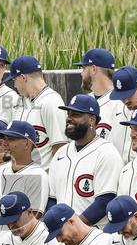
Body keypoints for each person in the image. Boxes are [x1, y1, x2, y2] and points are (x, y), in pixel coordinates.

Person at [46, 95, 123, 228]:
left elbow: (104, 201)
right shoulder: (61, 154)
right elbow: (52, 199)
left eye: (76, 114)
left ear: (92, 119)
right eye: (68, 114)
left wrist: (74, 227)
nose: (69, 118)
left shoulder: (107, 153)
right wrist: (56, 225)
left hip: (94, 235)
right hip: (63, 235)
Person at [7, 55, 66, 168]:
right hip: (20, 176)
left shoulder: (51, 101)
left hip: (43, 176)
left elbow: (60, 147)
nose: (14, 85)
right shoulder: (21, 102)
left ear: (23, 77)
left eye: (14, 80)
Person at [73, 48, 118, 140]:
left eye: (84, 68)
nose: (81, 73)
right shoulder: (85, 101)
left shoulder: (120, 103)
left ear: (93, 69)